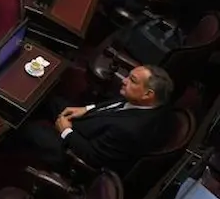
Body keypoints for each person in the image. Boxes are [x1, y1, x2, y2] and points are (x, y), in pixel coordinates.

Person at [20, 65, 173, 173]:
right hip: (90, 123)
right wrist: (87, 109)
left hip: (72, 152)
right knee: (48, 98)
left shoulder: (130, 129)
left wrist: (66, 131)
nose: (124, 80)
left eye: (132, 80)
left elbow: (92, 156)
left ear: (148, 94)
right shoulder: (147, 101)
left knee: (28, 128)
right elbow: (116, 104)